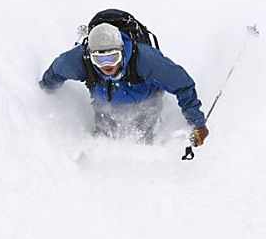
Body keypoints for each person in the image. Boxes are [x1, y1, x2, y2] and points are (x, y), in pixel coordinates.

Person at [39, 9, 209, 146]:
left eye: (112, 57)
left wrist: (197, 123)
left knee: (143, 141)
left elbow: (182, 84)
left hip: (146, 99)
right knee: (103, 140)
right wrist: (45, 90)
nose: (107, 66)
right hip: (104, 103)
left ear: (122, 51)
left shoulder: (146, 60)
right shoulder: (78, 61)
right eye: (99, 59)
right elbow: (55, 73)